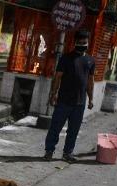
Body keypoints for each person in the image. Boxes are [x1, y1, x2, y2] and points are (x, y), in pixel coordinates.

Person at [43, 30, 95, 162]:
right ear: (75, 43)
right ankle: (49, 151)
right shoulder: (65, 58)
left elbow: (90, 81)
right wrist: (53, 94)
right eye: (79, 42)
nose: (82, 45)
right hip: (64, 101)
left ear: (88, 43)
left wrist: (91, 98)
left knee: (73, 131)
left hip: (79, 103)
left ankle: (67, 153)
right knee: (55, 127)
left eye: (84, 43)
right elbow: (58, 77)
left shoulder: (90, 61)